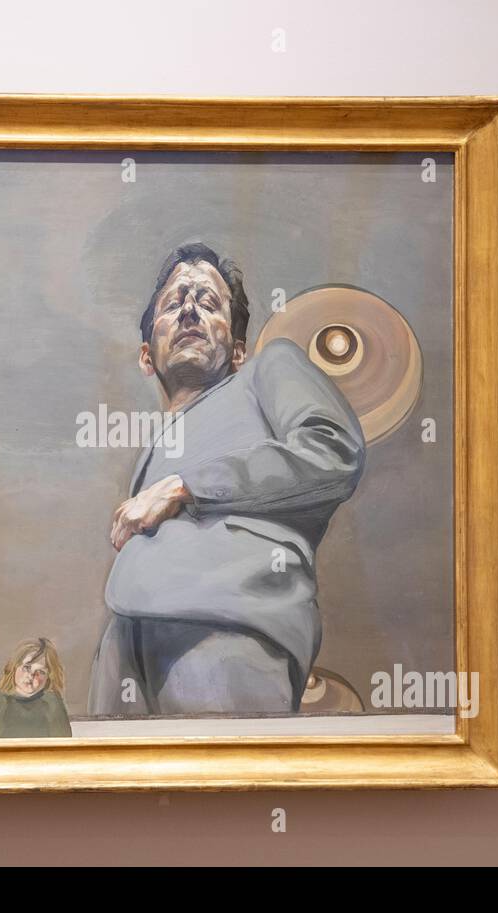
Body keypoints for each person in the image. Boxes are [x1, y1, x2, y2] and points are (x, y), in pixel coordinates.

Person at [88, 242, 366, 717]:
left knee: (223, 785)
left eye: (207, 302)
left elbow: (333, 450)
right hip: (124, 649)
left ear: (238, 351)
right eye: (174, 303)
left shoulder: (267, 369)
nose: (190, 311)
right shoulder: (154, 448)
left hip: (226, 627)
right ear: (145, 355)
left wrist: (185, 486)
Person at [0, 639, 72, 738]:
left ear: (49, 677)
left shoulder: (52, 702)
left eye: (40, 672)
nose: (30, 676)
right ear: (14, 667)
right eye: (26, 668)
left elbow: (64, 747)